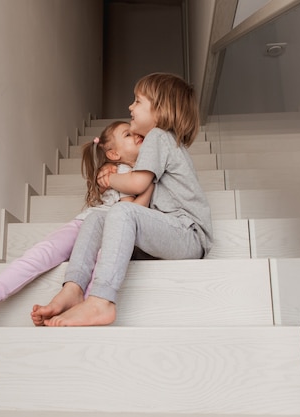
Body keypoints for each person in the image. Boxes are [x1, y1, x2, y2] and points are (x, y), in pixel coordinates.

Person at [31, 72, 213, 327]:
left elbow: (137, 184)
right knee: (95, 218)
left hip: (187, 233)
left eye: (138, 101)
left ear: (160, 112)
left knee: (120, 212)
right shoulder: (159, 143)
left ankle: (101, 301)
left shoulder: (158, 137)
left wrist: (109, 179)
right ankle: (73, 289)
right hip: (167, 233)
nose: (130, 107)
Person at [0, 121, 151, 326]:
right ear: (113, 154)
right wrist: (149, 185)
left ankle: (81, 307)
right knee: (41, 254)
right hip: (89, 224)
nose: (136, 134)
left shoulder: (131, 172)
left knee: (85, 257)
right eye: (128, 134)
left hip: (105, 232)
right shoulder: (121, 172)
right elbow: (131, 209)